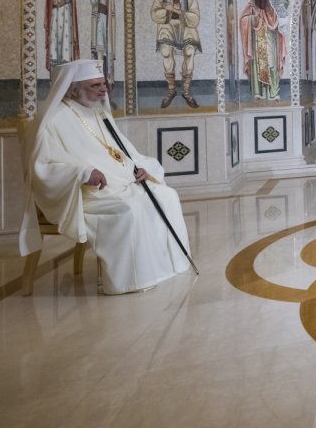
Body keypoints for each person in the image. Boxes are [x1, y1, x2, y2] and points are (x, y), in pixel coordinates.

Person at [20, 58, 193, 294]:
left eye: (105, 84)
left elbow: (126, 151)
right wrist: (83, 173)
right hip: (89, 192)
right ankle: (132, 279)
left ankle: (169, 266)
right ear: (74, 88)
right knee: (128, 209)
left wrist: (143, 168)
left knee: (168, 196)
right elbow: (44, 166)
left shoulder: (99, 113)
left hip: (123, 183)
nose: (103, 89)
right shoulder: (55, 119)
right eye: (96, 85)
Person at [152, 0, 202, 108]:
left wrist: (177, 10)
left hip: (186, 26)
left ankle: (186, 91)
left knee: (189, 51)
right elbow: (154, 14)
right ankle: (171, 90)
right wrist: (168, 10)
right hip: (167, 26)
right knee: (166, 52)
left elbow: (195, 17)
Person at [239, 0, 285, 101]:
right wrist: (253, 17)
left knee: (271, 65)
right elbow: (243, 20)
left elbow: (280, 17)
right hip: (255, 43)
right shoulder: (251, 6)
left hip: (269, 41)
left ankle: (274, 92)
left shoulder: (270, 7)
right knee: (256, 66)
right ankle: (257, 92)